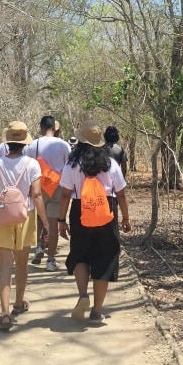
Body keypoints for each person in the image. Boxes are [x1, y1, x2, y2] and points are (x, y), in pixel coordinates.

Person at [58, 118, 131, 325]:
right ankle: (97, 312)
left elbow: (64, 195)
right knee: (105, 258)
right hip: (107, 212)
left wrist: (61, 220)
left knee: (80, 254)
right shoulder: (111, 164)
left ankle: (83, 295)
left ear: (80, 142)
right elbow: (121, 194)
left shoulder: (72, 164)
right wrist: (125, 217)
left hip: (81, 211)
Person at [0, 121, 49, 332]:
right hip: (25, 216)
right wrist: (45, 222)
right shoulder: (32, 165)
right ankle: (18, 304)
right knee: (22, 264)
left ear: (8, 143)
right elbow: (36, 195)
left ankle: (4, 314)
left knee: (4, 266)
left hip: (2, 216)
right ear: (24, 143)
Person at [26, 114, 71, 271]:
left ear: (41, 128)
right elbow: (68, 166)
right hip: (57, 187)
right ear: (54, 128)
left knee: (40, 218)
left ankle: (39, 246)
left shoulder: (32, 145)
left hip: (38, 187)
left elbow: (27, 166)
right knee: (53, 222)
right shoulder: (64, 145)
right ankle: (51, 260)